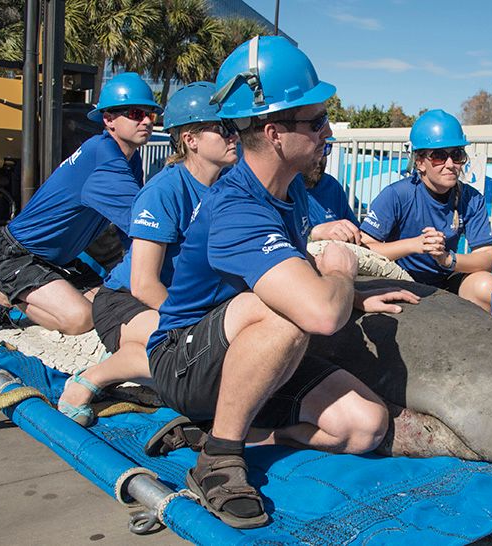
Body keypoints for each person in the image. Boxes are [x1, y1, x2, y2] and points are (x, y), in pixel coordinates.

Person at [147, 36, 418, 528]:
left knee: (365, 427)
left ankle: (225, 433)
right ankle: (219, 461)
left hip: (250, 355)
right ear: (273, 132)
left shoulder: (287, 191)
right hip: (184, 362)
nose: (327, 130)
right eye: (315, 121)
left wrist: (354, 298)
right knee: (288, 312)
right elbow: (317, 311)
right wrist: (340, 272)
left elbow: (314, 296)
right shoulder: (235, 208)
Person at [57, 82, 239, 426]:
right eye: (224, 128)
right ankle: (95, 377)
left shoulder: (230, 187)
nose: (235, 137)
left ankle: (142, 358)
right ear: (191, 139)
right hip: (127, 301)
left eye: (236, 128)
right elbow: (143, 284)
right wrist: (197, 326)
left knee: (218, 359)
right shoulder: (165, 190)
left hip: (180, 300)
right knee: (191, 356)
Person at [0, 72, 161, 337]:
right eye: (135, 113)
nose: (146, 121)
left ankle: (31, 290)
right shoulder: (103, 154)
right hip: (15, 254)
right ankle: (0, 295)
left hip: (57, 259)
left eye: (150, 114)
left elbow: (128, 229)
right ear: (108, 120)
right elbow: (142, 222)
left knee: (107, 306)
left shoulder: (128, 160)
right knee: (80, 319)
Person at [359, 110, 492, 311]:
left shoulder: (471, 198)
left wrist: (447, 259)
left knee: (488, 286)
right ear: (420, 162)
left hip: (445, 279)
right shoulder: (397, 195)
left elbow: (486, 256)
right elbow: (364, 250)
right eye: (439, 156)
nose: (450, 165)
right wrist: (414, 245)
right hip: (399, 277)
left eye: (456, 155)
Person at [306, 138, 362, 245]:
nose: (319, 159)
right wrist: (314, 233)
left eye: (324, 149)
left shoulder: (331, 186)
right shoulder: (282, 189)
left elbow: (356, 231)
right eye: (314, 149)